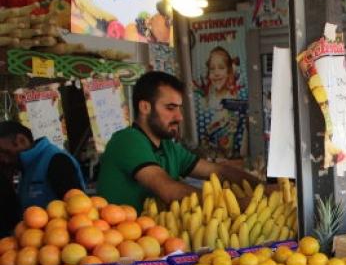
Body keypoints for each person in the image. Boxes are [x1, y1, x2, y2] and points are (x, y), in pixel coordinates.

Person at [97, 71, 260, 212]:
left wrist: (263, 189)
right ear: (145, 107)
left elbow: (219, 171)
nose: (179, 117)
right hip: (125, 242)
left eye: (179, 108)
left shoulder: (169, 147)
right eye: (170, 108)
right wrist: (236, 204)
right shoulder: (127, 140)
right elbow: (169, 190)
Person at [0, 120, 85, 211]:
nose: (4, 160)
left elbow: (77, 208)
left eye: (6, 152)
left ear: (21, 140)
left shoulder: (56, 160)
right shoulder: (26, 167)